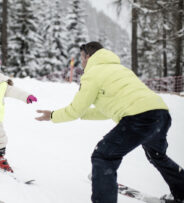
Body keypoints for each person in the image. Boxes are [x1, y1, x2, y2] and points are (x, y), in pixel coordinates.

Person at [35, 42, 184, 203]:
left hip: (139, 117)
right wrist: (81, 114)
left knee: (103, 156)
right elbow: (106, 110)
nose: (82, 63)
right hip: (160, 113)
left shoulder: (92, 74)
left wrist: (52, 116)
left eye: (82, 58)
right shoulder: (120, 69)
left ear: (89, 56)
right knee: (157, 155)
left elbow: (75, 109)